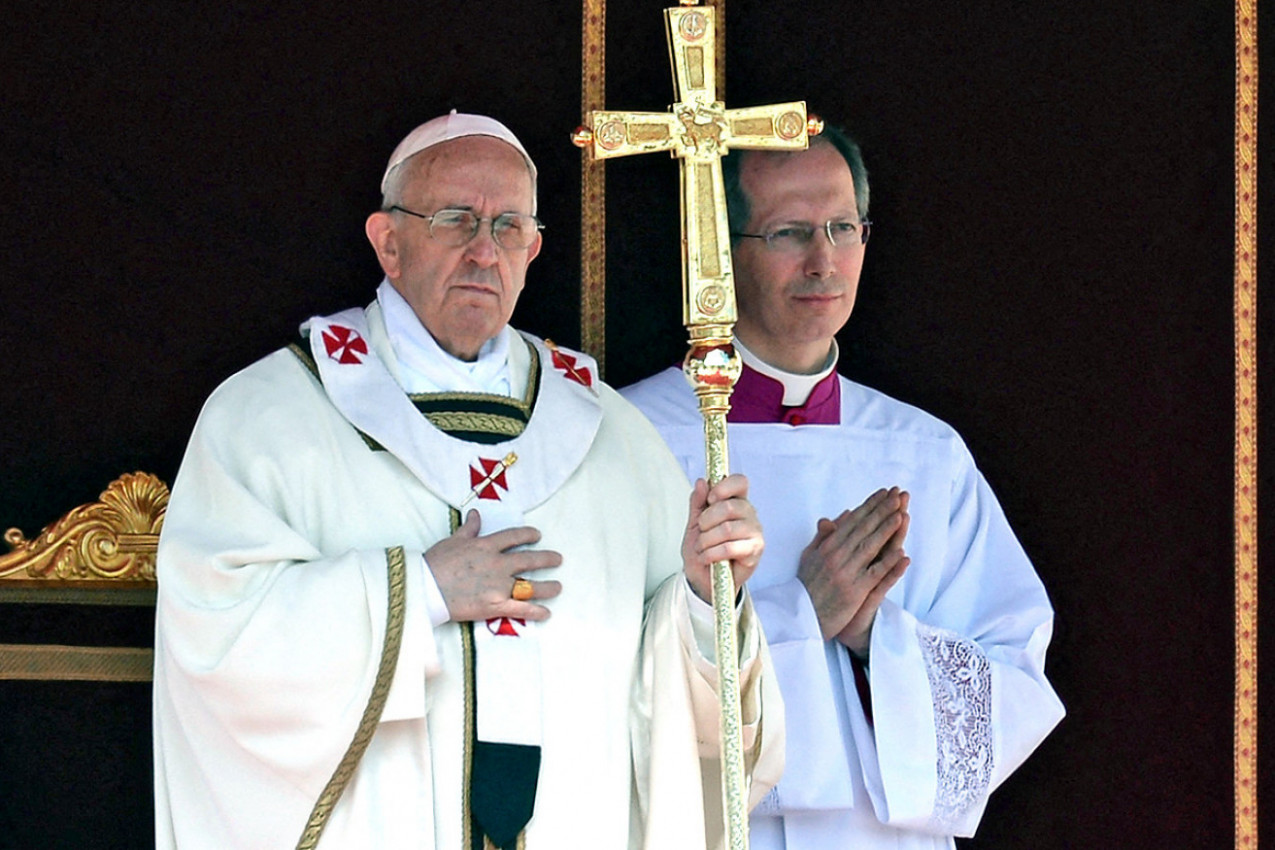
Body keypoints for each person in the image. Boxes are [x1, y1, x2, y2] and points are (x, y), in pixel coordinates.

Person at [152, 111, 783, 850]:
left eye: (509, 227)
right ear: (388, 242)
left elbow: (683, 719)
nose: (484, 252)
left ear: (535, 249)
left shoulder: (610, 436)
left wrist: (710, 598)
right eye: (456, 219)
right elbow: (215, 637)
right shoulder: (270, 418)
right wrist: (416, 593)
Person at [622, 125, 1065, 849]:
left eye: (840, 228)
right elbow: (597, 676)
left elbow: (1010, 685)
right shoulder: (631, 437)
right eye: (790, 232)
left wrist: (872, 637)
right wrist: (806, 614)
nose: (823, 261)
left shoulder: (925, 453)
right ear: (718, 252)